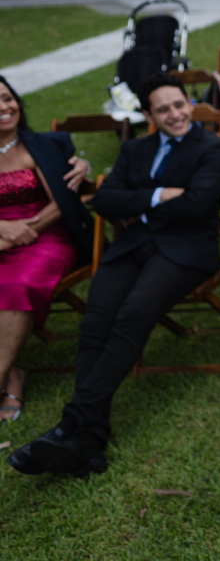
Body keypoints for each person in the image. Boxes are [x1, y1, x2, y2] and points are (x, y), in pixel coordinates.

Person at [8, 73, 220, 477]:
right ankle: (89, 442)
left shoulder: (214, 148)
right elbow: (106, 201)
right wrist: (158, 195)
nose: (175, 114)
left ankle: (72, 423)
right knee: (95, 321)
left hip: (186, 250)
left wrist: (138, 206)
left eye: (179, 105)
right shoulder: (134, 149)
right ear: (149, 114)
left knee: (133, 314)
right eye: (163, 109)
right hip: (132, 246)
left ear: (190, 104)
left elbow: (198, 205)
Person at [0, 75, 92, 425]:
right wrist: (3, 229)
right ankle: (13, 375)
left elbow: (65, 201)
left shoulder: (49, 144)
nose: (4, 107)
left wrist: (25, 230)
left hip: (49, 234)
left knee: (18, 283)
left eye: (7, 98)